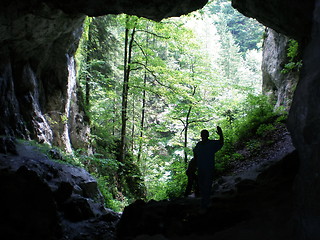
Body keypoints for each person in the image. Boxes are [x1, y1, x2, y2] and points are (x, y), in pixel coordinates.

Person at [193, 127, 224, 209]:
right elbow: (195, 154)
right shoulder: (199, 145)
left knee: (207, 184)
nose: (203, 136)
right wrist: (195, 165)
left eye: (204, 134)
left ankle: (206, 202)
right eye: (202, 134)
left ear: (207, 135)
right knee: (202, 184)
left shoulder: (211, 143)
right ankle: (205, 200)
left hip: (208, 167)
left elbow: (221, 143)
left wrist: (221, 134)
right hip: (201, 168)